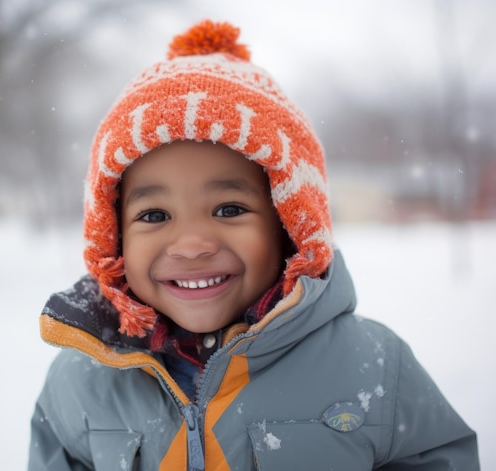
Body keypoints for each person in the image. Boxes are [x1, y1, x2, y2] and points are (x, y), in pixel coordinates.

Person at [28, 20, 479, 470]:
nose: (191, 245)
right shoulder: (82, 380)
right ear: (114, 238)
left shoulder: (373, 366)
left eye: (228, 209)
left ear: (289, 226)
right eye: (154, 215)